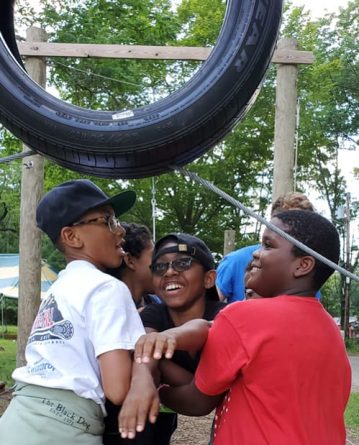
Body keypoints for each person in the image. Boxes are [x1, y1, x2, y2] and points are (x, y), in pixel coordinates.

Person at [128, 210, 352, 445]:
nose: (255, 253)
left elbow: (198, 401)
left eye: (267, 245)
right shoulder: (331, 331)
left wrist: (156, 391)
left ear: (303, 265)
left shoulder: (243, 316)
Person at [0, 179, 156, 445]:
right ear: (72, 236)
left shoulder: (60, 289)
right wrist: (150, 360)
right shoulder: (107, 288)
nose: (120, 231)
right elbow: (118, 389)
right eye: (107, 221)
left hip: (17, 420)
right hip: (62, 430)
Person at [118, 233, 226, 444]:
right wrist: (142, 379)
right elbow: (146, 350)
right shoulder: (153, 313)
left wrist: (159, 379)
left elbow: (201, 402)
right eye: (159, 267)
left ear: (208, 278)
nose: (169, 271)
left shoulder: (226, 316)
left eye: (183, 263)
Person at [216, 192, 315, 302]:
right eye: (287, 222)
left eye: (300, 226)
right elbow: (211, 306)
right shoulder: (235, 260)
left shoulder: (308, 271)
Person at [110, 222, 161, 310]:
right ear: (130, 261)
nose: (162, 264)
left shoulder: (156, 303)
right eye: (154, 256)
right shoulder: (111, 309)